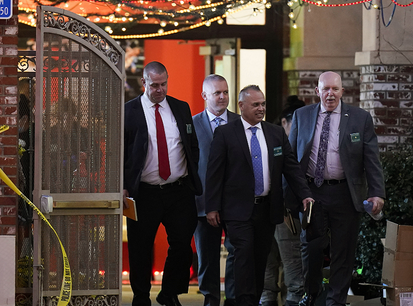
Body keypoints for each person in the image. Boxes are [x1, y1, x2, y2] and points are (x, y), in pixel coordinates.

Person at [205, 85, 314, 306]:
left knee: (259, 260)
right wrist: (212, 206)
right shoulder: (226, 133)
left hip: (267, 209)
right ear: (241, 106)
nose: (261, 108)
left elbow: (291, 168)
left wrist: (305, 195)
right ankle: (243, 301)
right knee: (243, 256)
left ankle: (251, 301)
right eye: (255, 105)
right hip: (237, 210)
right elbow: (214, 173)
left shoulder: (275, 134)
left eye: (263, 104)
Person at [288, 71, 385, 306]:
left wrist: (376, 192)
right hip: (312, 194)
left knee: (344, 251)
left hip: (345, 193)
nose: (330, 93)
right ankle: (311, 294)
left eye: (335, 89)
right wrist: (290, 196)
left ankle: (335, 301)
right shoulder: (302, 116)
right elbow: (290, 160)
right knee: (311, 248)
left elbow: (371, 159)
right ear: (317, 91)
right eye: (325, 89)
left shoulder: (359, 119)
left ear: (343, 91)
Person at [123, 61, 203, 306]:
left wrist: (190, 176)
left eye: (163, 84)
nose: (159, 89)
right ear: (143, 83)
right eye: (154, 85)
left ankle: (169, 293)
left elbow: (191, 145)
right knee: (140, 248)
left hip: (178, 190)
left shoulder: (180, 107)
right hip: (144, 192)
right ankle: (141, 297)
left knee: (181, 245)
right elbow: (121, 152)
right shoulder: (130, 111)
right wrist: (124, 185)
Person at [192, 74, 239, 306]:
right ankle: (210, 300)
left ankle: (232, 299)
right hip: (202, 203)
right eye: (217, 93)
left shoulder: (241, 123)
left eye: (226, 92)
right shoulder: (191, 125)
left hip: (235, 203)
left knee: (236, 254)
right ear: (204, 96)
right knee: (207, 258)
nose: (222, 97)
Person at [260, 96, 306, 306]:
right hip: (270, 210)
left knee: (291, 265)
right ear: (285, 122)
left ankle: (287, 299)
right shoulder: (274, 138)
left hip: (286, 212)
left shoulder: (275, 138)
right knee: (273, 264)